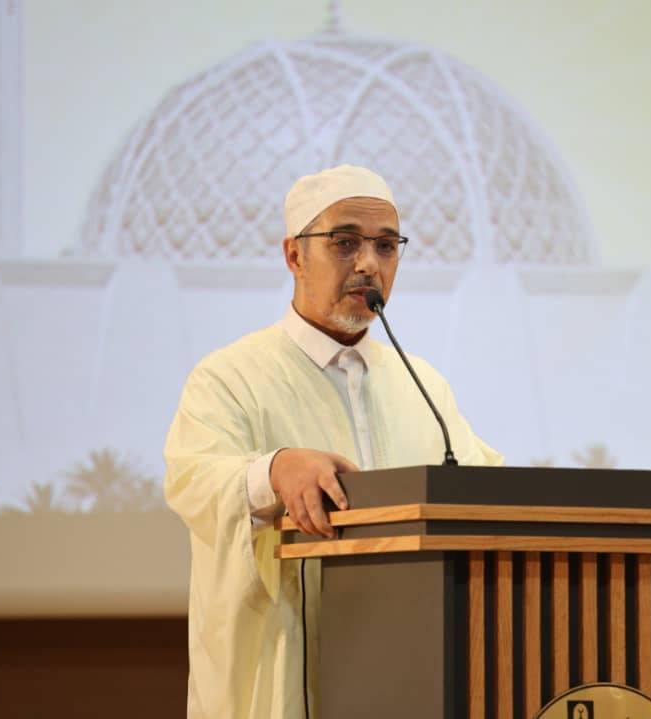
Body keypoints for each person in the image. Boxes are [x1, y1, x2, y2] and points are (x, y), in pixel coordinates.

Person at [163, 165, 502, 719]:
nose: (369, 263)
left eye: (386, 246)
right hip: (285, 680)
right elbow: (192, 481)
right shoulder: (230, 376)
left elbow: (484, 495)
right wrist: (273, 471)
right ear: (294, 256)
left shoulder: (422, 385)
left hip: (411, 676)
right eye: (345, 243)